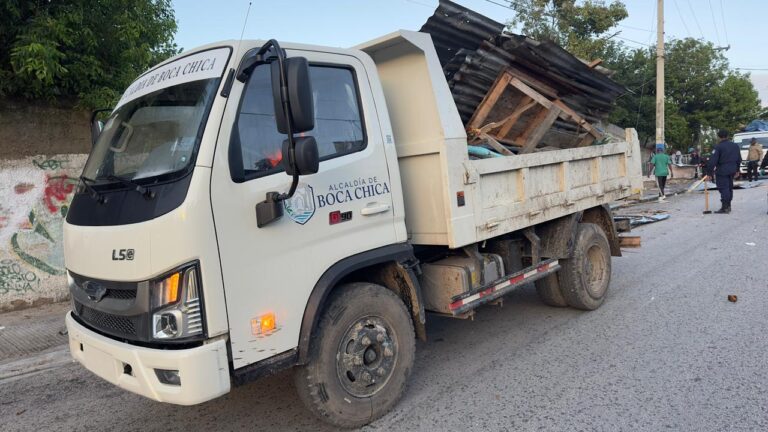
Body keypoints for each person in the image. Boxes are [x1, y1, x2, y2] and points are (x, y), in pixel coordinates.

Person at [704, 129, 742, 214]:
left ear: (719, 137)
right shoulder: (735, 146)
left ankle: (725, 207)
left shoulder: (718, 147)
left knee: (723, 188)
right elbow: (739, 159)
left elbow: (712, 161)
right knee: (729, 187)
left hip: (722, 170)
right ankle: (728, 206)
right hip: (732, 169)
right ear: (727, 136)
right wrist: (737, 170)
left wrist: (709, 173)